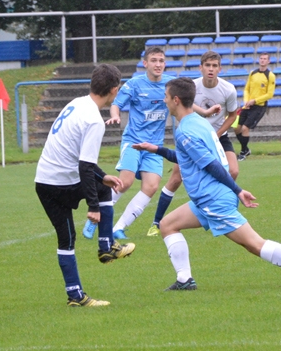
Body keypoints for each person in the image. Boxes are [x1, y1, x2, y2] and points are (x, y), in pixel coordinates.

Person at [133, 77, 281, 291]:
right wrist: (156, 150)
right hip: (207, 198)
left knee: (254, 244)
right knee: (168, 225)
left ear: (176, 100)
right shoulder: (197, 122)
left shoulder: (186, 131)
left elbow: (211, 165)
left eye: (166, 97)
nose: (164, 100)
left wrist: (238, 190)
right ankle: (184, 280)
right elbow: (187, 158)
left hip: (213, 199)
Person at [35, 63, 135, 308]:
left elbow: (78, 158)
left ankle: (76, 296)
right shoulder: (94, 121)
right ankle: (106, 246)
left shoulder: (77, 103)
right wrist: (94, 207)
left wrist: (103, 177)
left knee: (66, 239)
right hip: (62, 182)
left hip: (44, 181)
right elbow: (84, 166)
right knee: (100, 192)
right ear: (114, 89)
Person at [82, 46, 174, 241]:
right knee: (125, 182)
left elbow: (187, 101)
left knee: (151, 186)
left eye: (161, 61)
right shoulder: (134, 84)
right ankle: (95, 214)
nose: (158, 64)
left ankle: (119, 228)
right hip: (133, 141)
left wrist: (206, 113)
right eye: (154, 60)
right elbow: (116, 104)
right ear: (145, 63)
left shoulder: (170, 84)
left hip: (155, 146)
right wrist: (115, 116)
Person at [146, 50, 240, 237]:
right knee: (175, 178)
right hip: (192, 138)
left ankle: (217, 207)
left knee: (234, 170)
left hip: (217, 136)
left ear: (220, 69)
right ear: (201, 67)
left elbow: (233, 115)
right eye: (207, 65)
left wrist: (217, 134)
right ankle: (156, 222)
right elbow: (186, 107)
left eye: (214, 66)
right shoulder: (192, 87)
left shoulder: (228, 89)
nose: (211, 69)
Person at [234, 52, 276, 160]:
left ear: (268, 61)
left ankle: (243, 153)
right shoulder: (252, 73)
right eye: (261, 58)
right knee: (236, 129)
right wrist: (246, 101)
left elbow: (269, 94)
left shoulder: (270, 75)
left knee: (244, 128)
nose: (262, 60)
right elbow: (246, 89)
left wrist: (255, 101)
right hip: (248, 105)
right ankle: (246, 149)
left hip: (259, 107)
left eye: (265, 59)